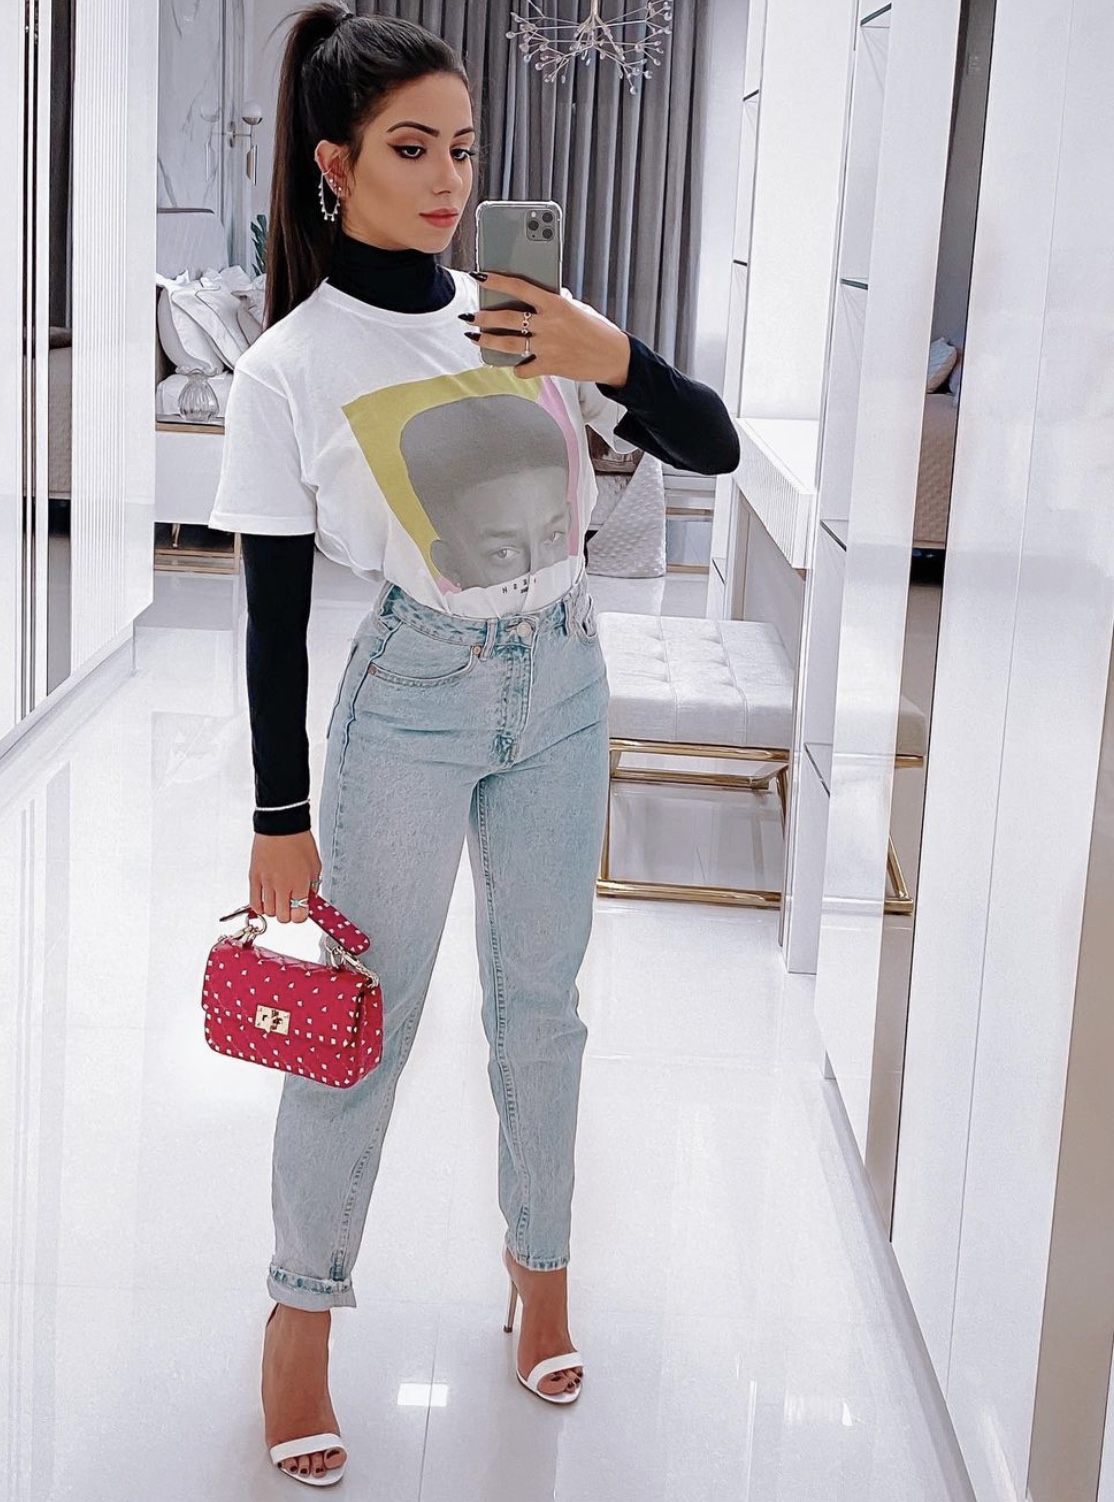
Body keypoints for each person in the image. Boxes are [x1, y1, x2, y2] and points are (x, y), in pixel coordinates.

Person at [207, 3, 740, 1485]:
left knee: (541, 1010)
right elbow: (267, 617)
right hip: (414, 692)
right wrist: (277, 812)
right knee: (358, 1026)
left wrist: (607, 350)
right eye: (410, 148)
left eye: (463, 147)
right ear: (334, 165)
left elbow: (711, 445)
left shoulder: (522, 313)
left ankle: (540, 1274)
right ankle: (299, 1319)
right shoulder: (289, 369)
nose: (447, 179)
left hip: (563, 675)